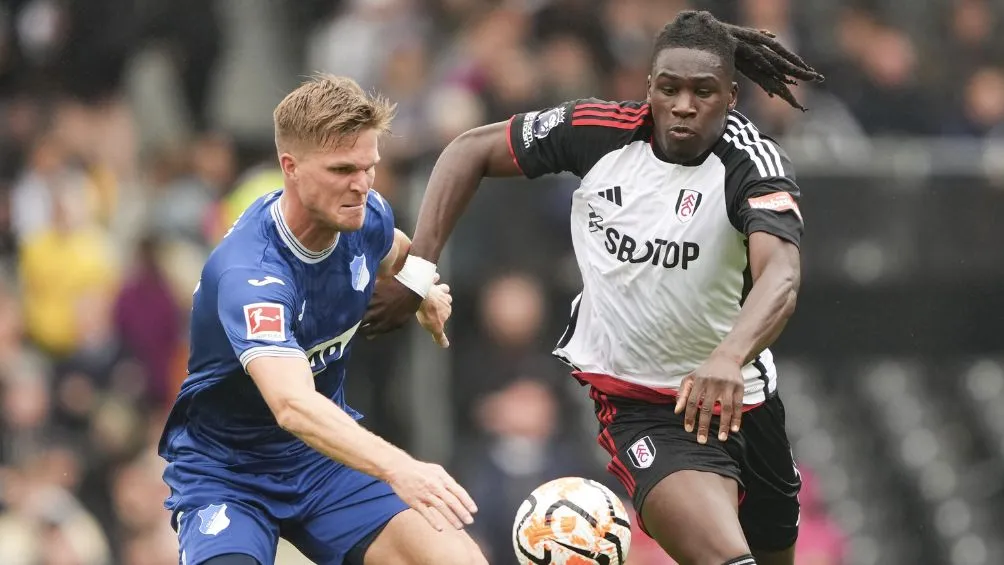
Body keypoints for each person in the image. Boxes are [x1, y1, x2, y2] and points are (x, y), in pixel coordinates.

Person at [363, 10, 824, 565]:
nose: (682, 104)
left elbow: (783, 275)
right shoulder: (598, 132)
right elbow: (469, 150)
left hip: (741, 399)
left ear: (730, 96)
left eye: (702, 91)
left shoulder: (753, 164)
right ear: (647, 89)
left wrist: (729, 356)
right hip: (641, 403)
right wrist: (416, 271)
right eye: (668, 88)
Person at [158, 74, 487, 565]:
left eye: (369, 167)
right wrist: (401, 467)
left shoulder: (364, 214)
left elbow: (393, 248)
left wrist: (421, 291)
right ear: (290, 167)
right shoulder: (251, 273)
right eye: (341, 169)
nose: (361, 185)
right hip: (228, 473)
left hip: (323, 462)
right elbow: (291, 404)